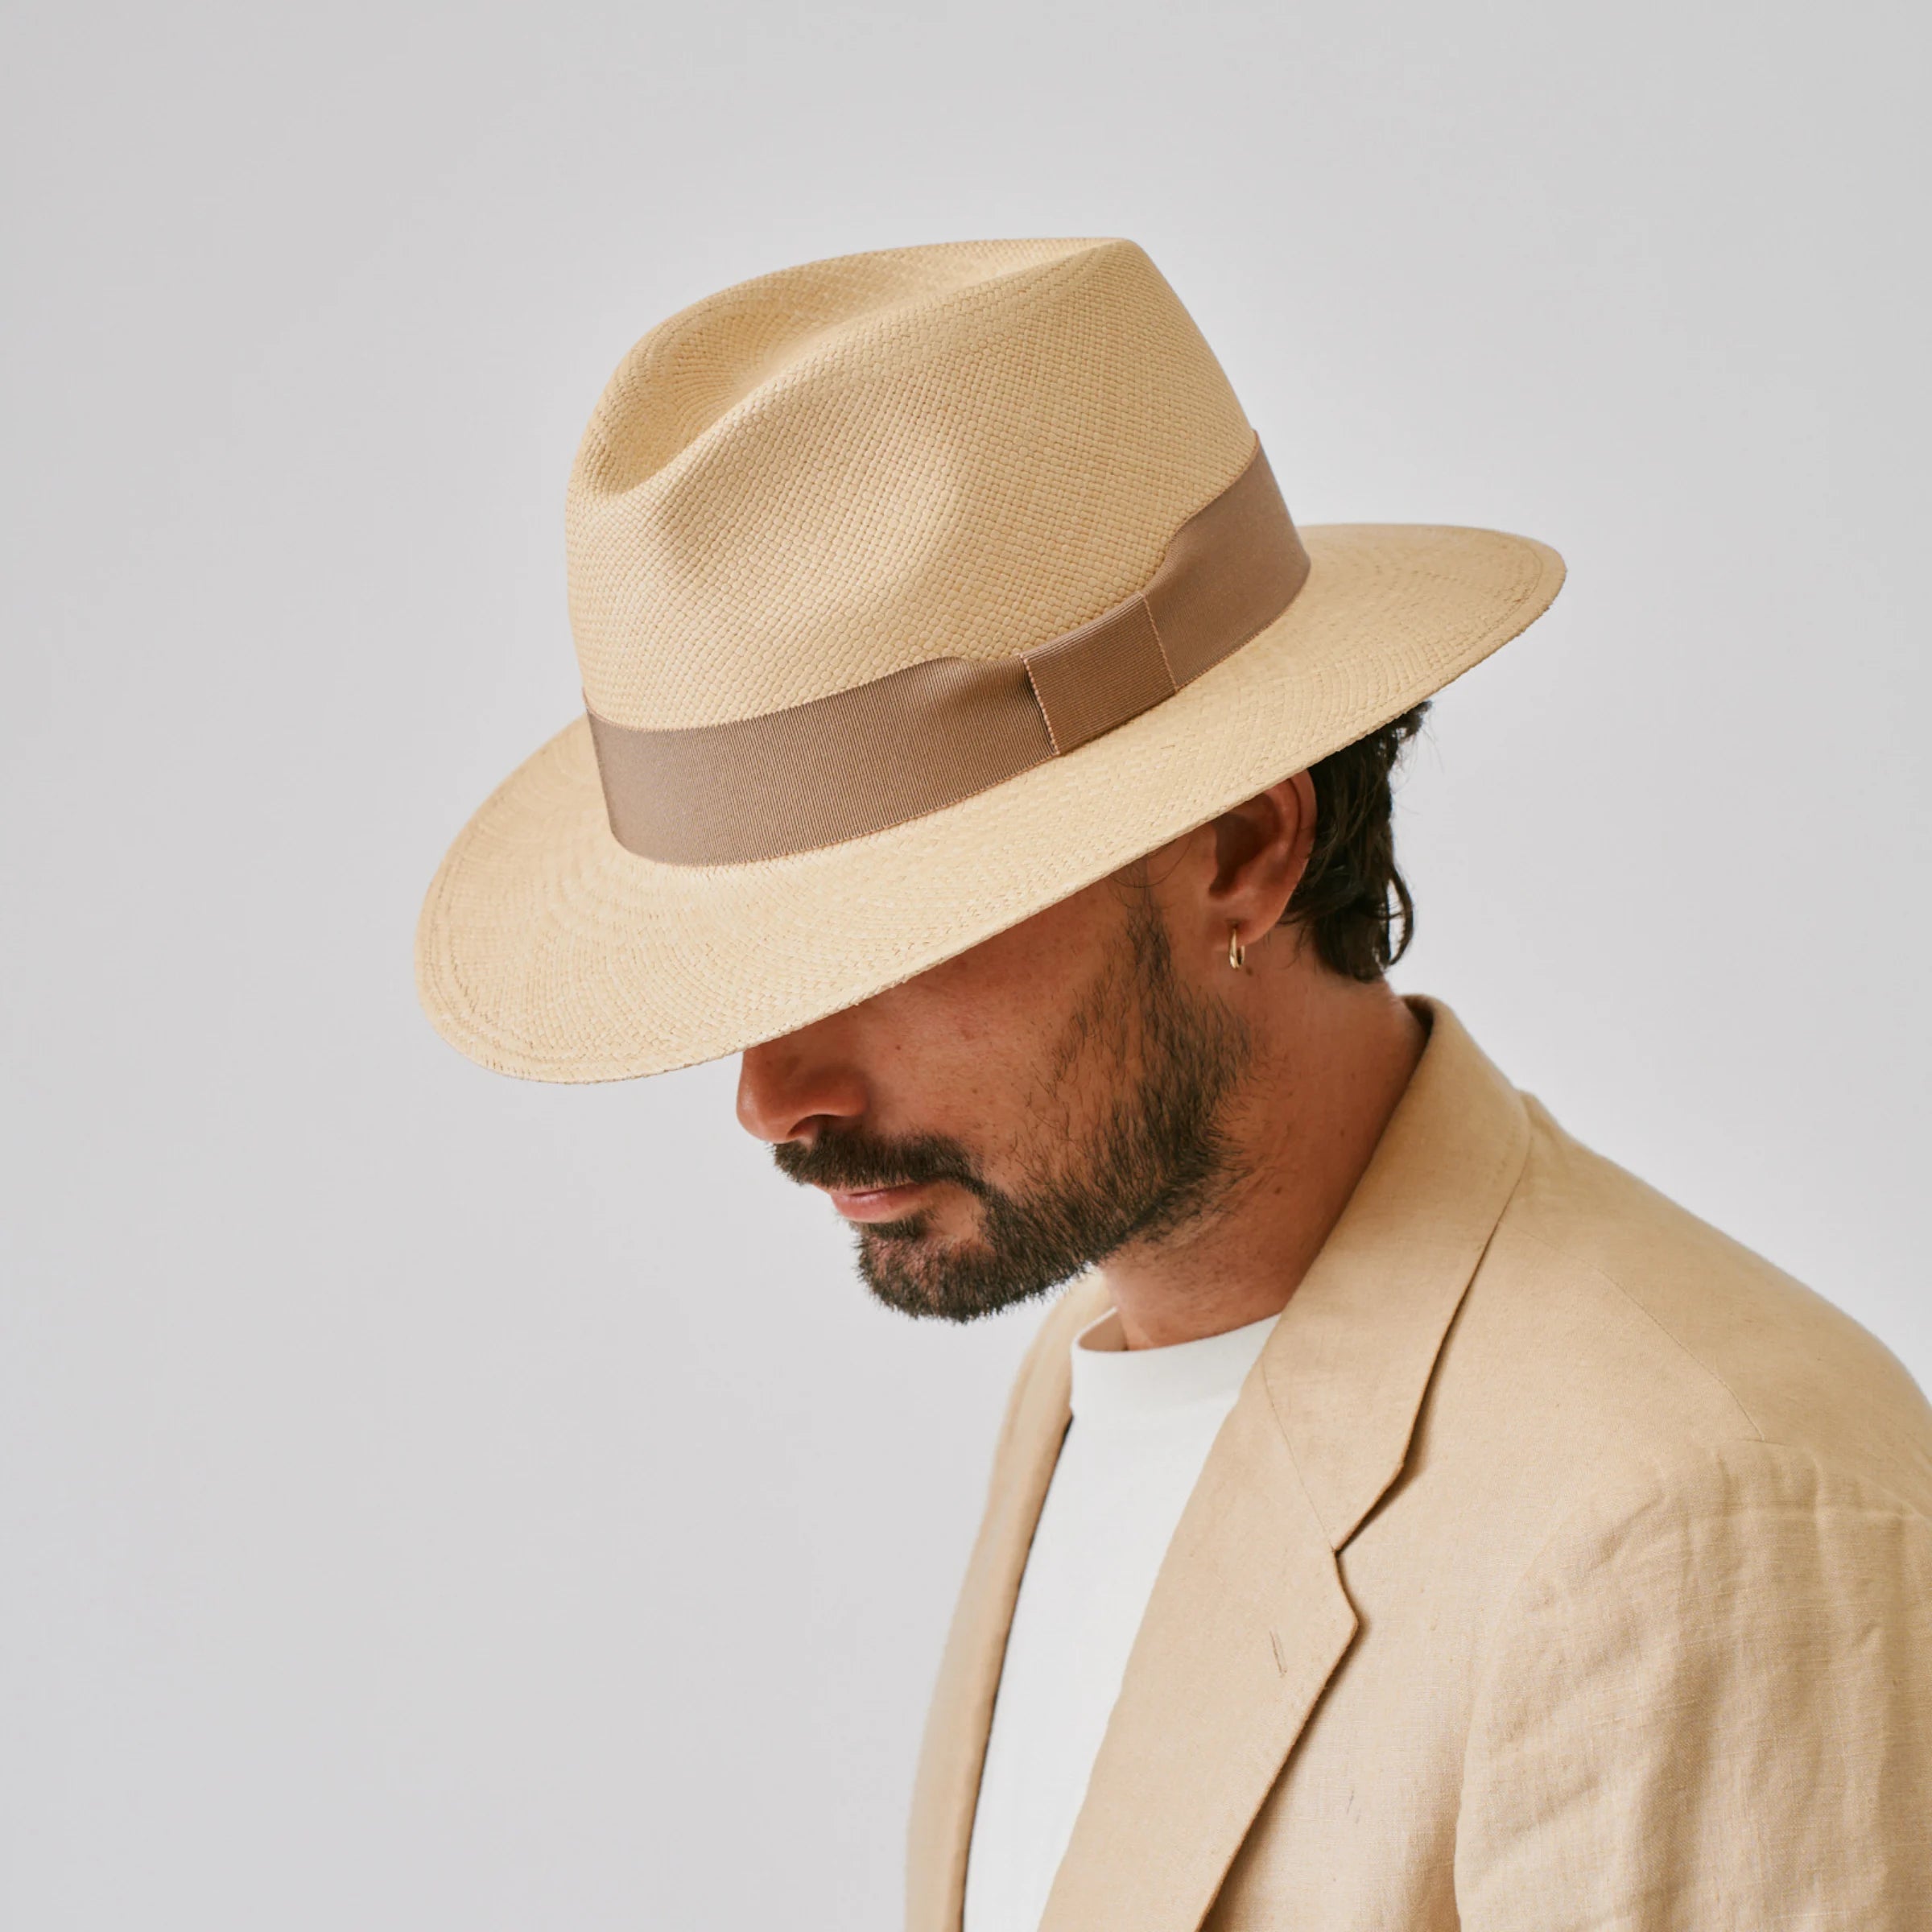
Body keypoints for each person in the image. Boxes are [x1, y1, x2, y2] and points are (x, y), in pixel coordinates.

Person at [417, 237, 1932, 1930]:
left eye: (879, 943)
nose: (771, 1097)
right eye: (745, 979)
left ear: (1243, 845)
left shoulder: (1690, 1515)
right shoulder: (1090, 1365)